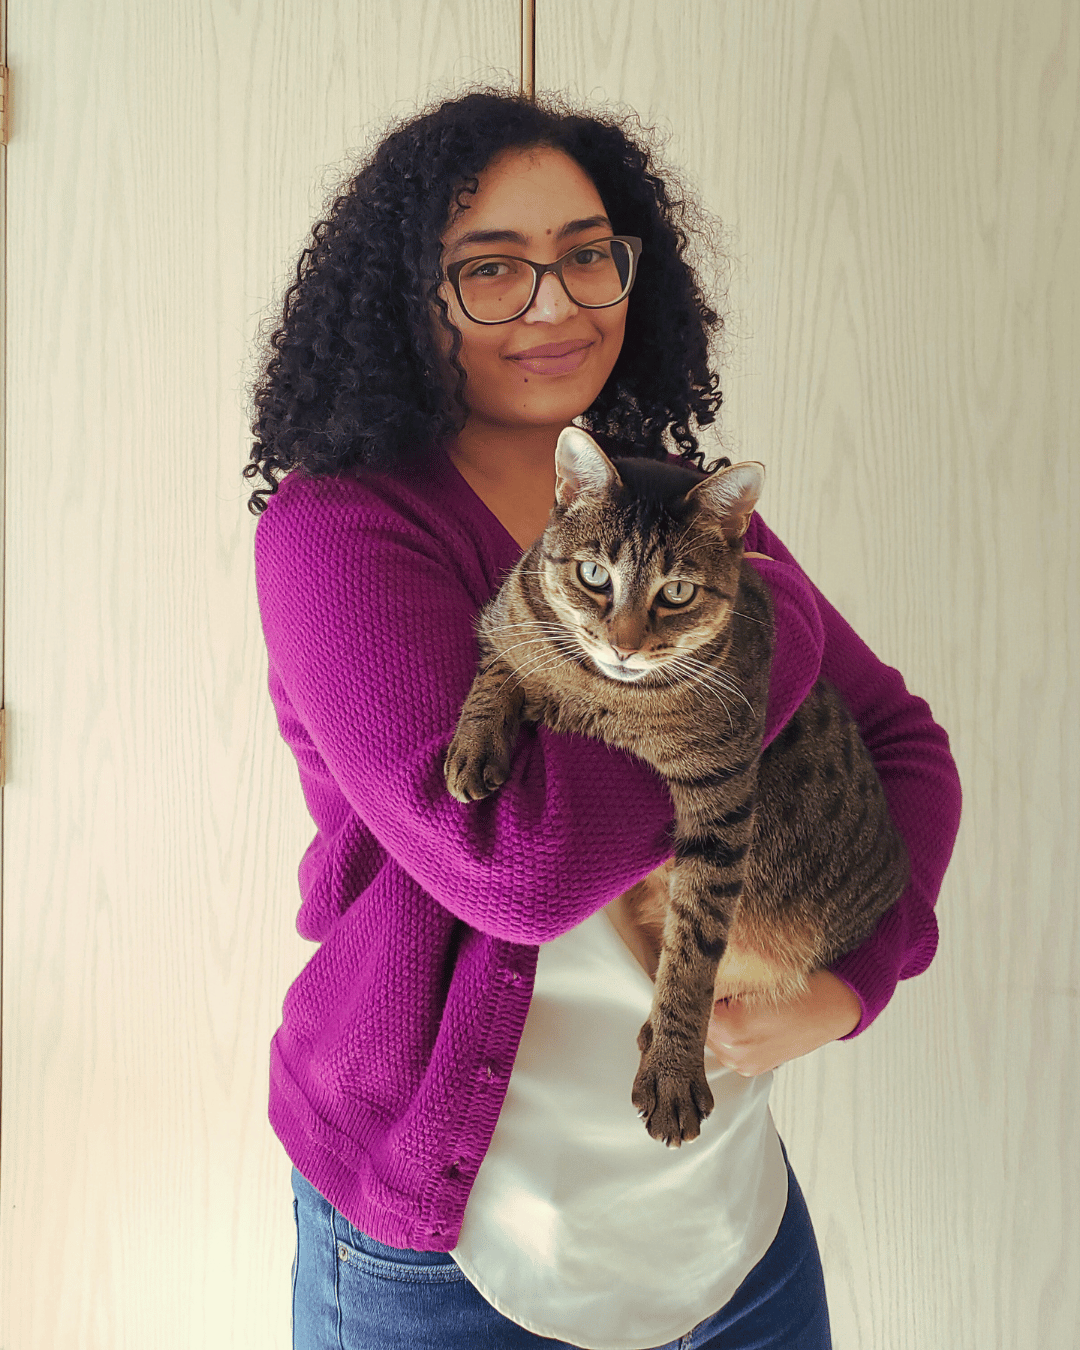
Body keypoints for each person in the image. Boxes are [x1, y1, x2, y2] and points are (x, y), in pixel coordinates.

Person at [246, 89, 961, 1350]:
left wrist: (856, 980)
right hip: (450, 1251)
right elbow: (518, 867)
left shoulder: (667, 501)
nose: (556, 305)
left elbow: (901, 742)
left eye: (588, 254)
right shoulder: (341, 529)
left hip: (726, 1227)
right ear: (409, 294)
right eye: (491, 269)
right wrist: (776, 629)